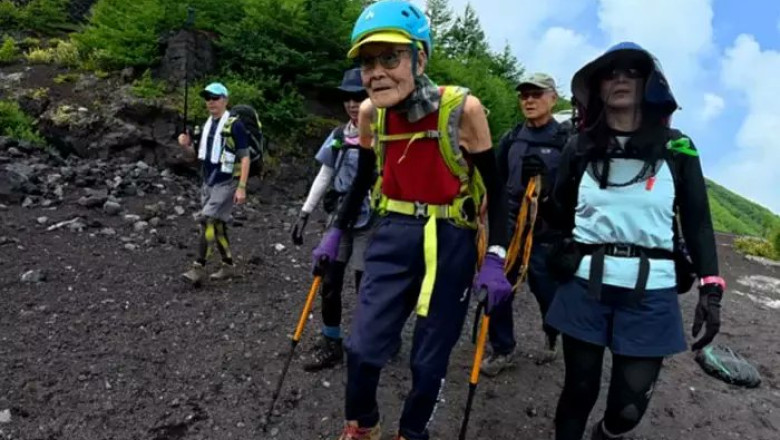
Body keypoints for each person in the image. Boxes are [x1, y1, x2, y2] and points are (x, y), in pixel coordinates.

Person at [311, 1, 512, 439]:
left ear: (420, 58)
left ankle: (412, 431)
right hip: (392, 232)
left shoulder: (463, 110)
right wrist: (334, 234)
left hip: (450, 238)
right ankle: (364, 426)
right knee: (362, 348)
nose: (376, 72)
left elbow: (497, 192)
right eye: (367, 61)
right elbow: (363, 181)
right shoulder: (370, 114)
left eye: (390, 57)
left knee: (428, 359)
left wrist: (495, 258)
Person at [544, 42, 725, 440]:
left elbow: (697, 220)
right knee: (578, 388)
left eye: (633, 72)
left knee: (628, 409)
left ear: (649, 84)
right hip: (585, 285)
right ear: (598, 86)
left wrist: (711, 285)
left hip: (652, 292)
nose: (621, 79)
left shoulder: (678, 148)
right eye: (611, 73)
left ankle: (605, 435)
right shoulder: (579, 148)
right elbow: (558, 213)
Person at [481, 73, 570, 377]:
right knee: (499, 286)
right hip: (508, 228)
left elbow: (573, 192)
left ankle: (552, 332)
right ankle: (503, 347)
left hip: (547, 232)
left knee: (547, 291)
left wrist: (546, 185)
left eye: (536, 94)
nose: (529, 100)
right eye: (524, 95)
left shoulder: (566, 141)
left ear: (553, 98)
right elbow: (497, 178)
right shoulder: (512, 137)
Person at [290, 68, 371, 372]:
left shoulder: (382, 133)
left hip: (370, 220)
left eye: (359, 96)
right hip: (339, 218)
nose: (353, 103)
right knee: (330, 281)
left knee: (366, 285)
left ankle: (369, 342)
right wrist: (305, 212)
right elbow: (325, 173)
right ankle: (331, 341)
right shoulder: (339, 135)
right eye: (348, 97)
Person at [178, 82, 250, 285]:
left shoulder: (235, 125)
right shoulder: (205, 126)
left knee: (207, 221)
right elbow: (194, 157)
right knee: (217, 225)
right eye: (208, 98)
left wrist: (242, 187)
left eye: (215, 98)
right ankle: (228, 265)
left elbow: (245, 158)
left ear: (225, 100)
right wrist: (185, 146)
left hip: (227, 182)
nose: (211, 102)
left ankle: (198, 267)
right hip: (207, 182)